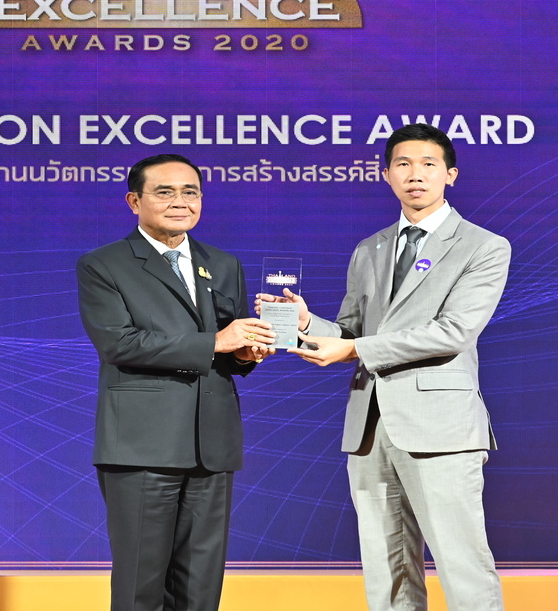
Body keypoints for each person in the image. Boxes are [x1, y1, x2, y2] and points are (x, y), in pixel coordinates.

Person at [266, 124, 510, 611]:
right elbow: (351, 329)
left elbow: (453, 332)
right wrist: (306, 322)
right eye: (403, 164)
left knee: (461, 561)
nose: (415, 174)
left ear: (451, 175)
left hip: (440, 429)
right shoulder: (370, 248)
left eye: (428, 164)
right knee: (386, 567)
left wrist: (354, 349)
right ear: (386, 175)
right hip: (370, 427)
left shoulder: (483, 246)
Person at [77, 153, 276, 611]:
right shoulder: (104, 264)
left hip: (212, 444)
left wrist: (246, 352)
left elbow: (229, 346)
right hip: (143, 445)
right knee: (141, 584)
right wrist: (217, 342)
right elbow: (119, 344)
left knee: (200, 587)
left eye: (191, 192)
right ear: (134, 201)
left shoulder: (223, 264)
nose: (180, 202)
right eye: (164, 192)